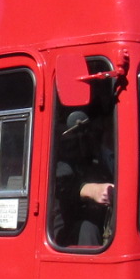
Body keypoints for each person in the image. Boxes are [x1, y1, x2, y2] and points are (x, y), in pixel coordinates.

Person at [50, 104, 115, 248]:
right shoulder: (61, 157)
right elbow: (58, 184)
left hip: (105, 224)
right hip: (61, 234)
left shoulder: (105, 158)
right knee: (88, 228)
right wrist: (89, 190)